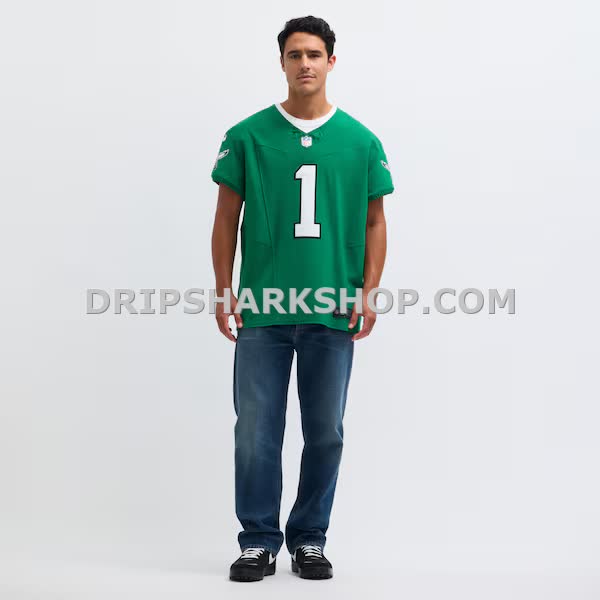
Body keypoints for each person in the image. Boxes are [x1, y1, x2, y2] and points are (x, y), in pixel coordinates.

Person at [210, 15, 394, 582]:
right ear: (282, 62)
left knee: (326, 432)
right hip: (264, 308)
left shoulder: (360, 141)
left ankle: (309, 538)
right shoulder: (247, 135)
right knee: (255, 431)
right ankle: (258, 541)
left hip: (332, 308)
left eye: (314, 54)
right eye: (295, 54)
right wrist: (224, 289)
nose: (305, 63)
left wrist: (369, 292)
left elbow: (375, 221)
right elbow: (226, 218)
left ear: (331, 62)